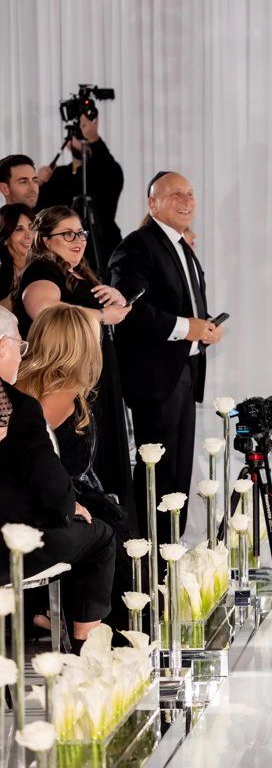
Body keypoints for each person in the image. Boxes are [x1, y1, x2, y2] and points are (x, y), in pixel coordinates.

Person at [109, 172, 222, 544]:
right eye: (175, 194)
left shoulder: (181, 245)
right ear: (152, 203)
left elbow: (186, 306)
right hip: (154, 378)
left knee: (178, 473)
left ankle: (171, 552)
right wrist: (186, 328)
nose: (186, 200)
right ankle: (151, 555)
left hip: (183, 372)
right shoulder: (137, 246)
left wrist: (205, 328)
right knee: (158, 473)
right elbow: (129, 308)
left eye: (190, 193)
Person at [0, 306, 115, 647]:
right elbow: (49, 484)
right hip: (11, 544)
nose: (23, 353)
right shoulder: (18, 407)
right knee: (103, 536)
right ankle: (85, 650)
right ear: (2, 347)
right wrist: (69, 507)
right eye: (18, 344)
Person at [17, 304, 134, 629]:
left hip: (37, 493)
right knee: (115, 538)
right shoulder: (64, 392)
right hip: (59, 495)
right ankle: (89, 632)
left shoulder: (19, 384)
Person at [13, 206, 134, 513]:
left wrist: (117, 300)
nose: (78, 240)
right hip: (65, 378)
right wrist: (103, 315)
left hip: (91, 376)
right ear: (44, 239)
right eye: (67, 234)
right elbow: (45, 309)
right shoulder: (43, 270)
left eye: (81, 233)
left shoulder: (76, 271)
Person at [36, 112, 125, 271]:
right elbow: (39, 212)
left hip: (103, 249)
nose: (85, 140)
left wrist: (94, 139)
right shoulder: (58, 175)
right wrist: (38, 184)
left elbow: (110, 170)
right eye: (79, 135)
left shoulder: (104, 172)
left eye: (86, 136)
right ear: (68, 143)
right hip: (63, 254)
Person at [0, 204, 36, 310]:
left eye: (32, 228)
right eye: (19, 229)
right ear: (5, 239)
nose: (29, 235)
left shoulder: (50, 268)